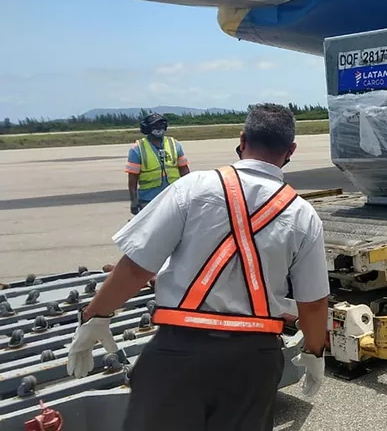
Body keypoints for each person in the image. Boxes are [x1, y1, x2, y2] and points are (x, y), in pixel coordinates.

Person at [68, 103, 330, 431]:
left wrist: (96, 316)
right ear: (290, 150)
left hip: (178, 351)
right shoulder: (303, 214)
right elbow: (313, 302)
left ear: (242, 140)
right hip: (253, 360)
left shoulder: (193, 187)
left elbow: (137, 267)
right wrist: (314, 352)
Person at [126, 113, 190, 215]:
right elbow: (132, 178)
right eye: (154, 125)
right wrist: (134, 201)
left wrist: (189, 192)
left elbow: (184, 171)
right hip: (149, 199)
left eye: (161, 124)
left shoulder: (174, 144)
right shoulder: (137, 149)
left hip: (174, 197)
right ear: (147, 128)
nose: (159, 127)